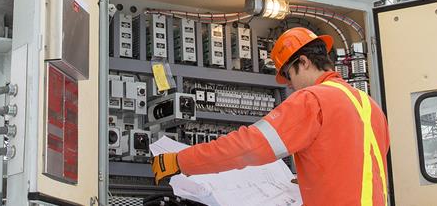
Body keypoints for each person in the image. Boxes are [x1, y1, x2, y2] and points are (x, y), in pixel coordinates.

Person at [151, 27, 390, 206]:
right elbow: (352, 167)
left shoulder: (312, 99)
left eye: (288, 76)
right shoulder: (369, 106)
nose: (289, 86)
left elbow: (248, 147)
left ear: (303, 62)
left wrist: (181, 161)